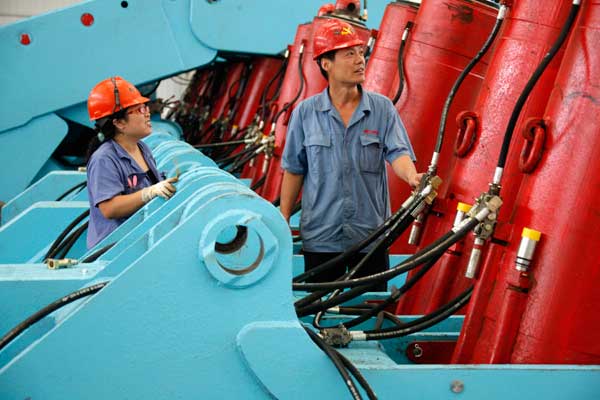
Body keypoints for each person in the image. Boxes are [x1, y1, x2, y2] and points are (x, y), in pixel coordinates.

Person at [280, 19, 422, 290]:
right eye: (349, 54)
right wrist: (284, 218)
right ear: (326, 63)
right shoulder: (305, 113)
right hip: (321, 237)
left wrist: (412, 176)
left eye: (360, 53)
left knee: (366, 311)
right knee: (317, 311)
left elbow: (398, 153)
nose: (360, 60)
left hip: (370, 237)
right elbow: (294, 169)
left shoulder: (381, 109)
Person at [85, 76, 177, 248]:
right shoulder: (104, 159)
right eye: (140, 109)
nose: (148, 112)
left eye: (145, 107)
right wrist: (148, 193)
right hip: (113, 250)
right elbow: (109, 208)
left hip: (138, 242)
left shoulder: (142, 148)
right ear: (119, 123)